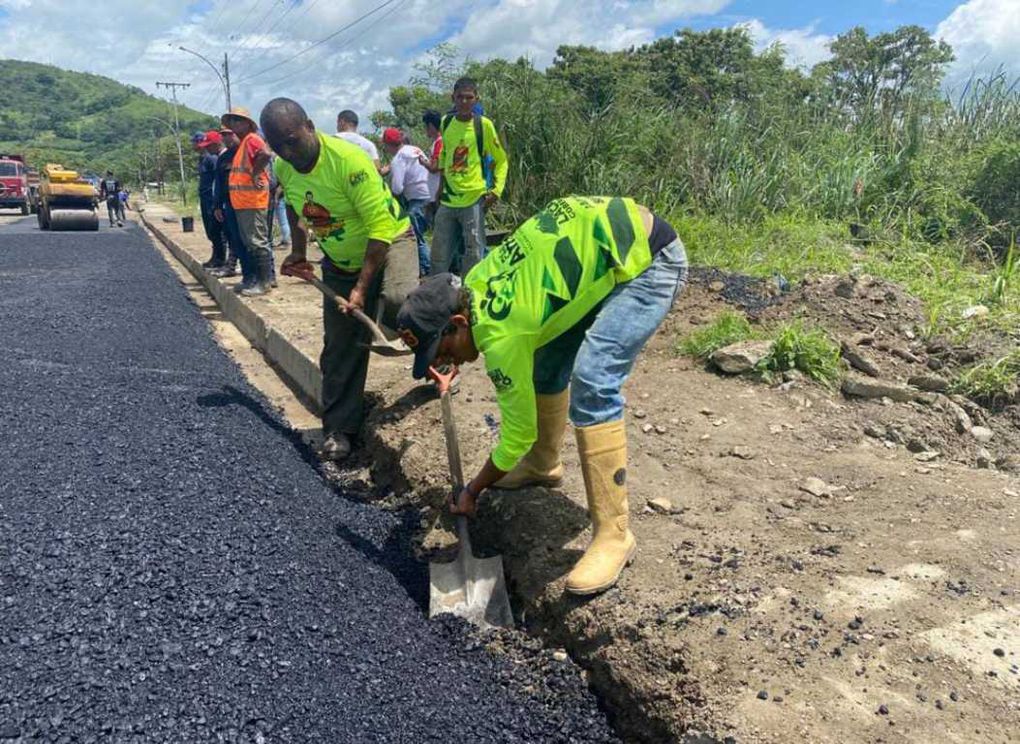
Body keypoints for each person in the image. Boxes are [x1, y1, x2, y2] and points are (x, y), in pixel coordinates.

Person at [396, 196, 688, 595]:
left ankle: (614, 535)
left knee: (594, 378)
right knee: (548, 361)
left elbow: (517, 435)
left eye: (444, 351)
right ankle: (544, 466)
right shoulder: (476, 281)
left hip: (649, 258)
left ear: (460, 322)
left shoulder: (502, 336)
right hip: (603, 242)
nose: (448, 362)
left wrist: (472, 490)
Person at [260, 98, 419, 462]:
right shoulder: (284, 167)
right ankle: (340, 428)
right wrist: (299, 251)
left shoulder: (349, 163)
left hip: (391, 241)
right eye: (277, 145)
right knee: (339, 348)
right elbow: (294, 207)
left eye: (291, 140)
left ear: (310, 126)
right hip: (340, 258)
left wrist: (361, 290)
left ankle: (439, 348)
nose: (287, 151)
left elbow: (379, 228)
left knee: (399, 301)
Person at [429, 78, 507, 278]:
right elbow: (446, 154)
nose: (464, 102)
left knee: (473, 254)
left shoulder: (484, 125)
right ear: (453, 98)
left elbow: (501, 160)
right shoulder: (446, 123)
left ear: (476, 99)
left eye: (469, 98)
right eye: (460, 97)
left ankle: (468, 298)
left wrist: (496, 191)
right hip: (448, 200)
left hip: (473, 199)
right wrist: (440, 188)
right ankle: (435, 296)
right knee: (439, 253)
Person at [221, 106, 274, 296]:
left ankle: (264, 282)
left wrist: (256, 172)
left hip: (253, 201)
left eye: (238, 120)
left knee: (257, 242)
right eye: (232, 121)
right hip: (243, 203)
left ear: (247, 123)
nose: (234, 124)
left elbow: (266, 154)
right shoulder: (244, 143)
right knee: (249, 242)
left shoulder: (252, 139)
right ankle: (254, 280)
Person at [381, 127, 431, 277]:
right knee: (423, 234)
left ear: (388, 145)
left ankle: (426, 270)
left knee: (416, 237)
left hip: (416, 199)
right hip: (430, 194)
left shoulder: (399, 159)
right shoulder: (415, 149)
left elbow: (397, 188)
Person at [210, 128, 244, 280]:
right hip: (229, 203)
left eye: (229, 134)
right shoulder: (223, 158)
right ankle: (232, 266)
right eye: (223, 135)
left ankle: (263, 274)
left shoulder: (246, 152)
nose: (226, 138)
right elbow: (219, 183)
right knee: (232, 235)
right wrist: (217, 205)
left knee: (253, 239)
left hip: (247, 202)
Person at [197, 130, 228, 269]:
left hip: (213, 199)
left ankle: (220, 258)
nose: (207, 148)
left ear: (217, 143)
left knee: (216, 230)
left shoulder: (214, 159)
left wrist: (217, 203)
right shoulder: (208, 158)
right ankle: (216, 257)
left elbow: (218, 181)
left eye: (209, 145)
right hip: (207, 198)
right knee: (211, 230)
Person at [419, 110, 444, 221]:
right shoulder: (436, 142)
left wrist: (423, 161)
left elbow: (435, 167)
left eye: (426, 127)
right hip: (434, 191)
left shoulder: (439, 142)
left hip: (438, 190)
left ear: (431, 126)